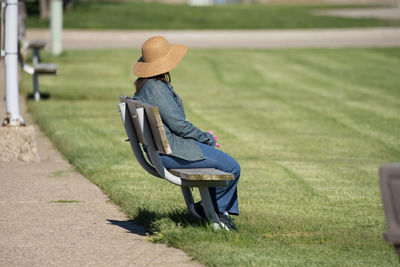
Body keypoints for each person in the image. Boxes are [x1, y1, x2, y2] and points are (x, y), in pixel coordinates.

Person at [132, 36, 240, 230]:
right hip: (171, 152)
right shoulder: (157, 88)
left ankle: (206, 209)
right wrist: (207, 139)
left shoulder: (146, 85)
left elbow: (175, 124)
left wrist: (202, 138)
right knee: (232, 167)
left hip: (162, 149)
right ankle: (216, 215)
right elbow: (179, 125)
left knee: (226, 164)